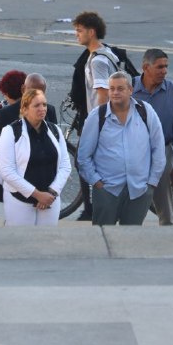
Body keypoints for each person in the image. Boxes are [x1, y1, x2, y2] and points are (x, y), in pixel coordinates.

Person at [77, 71, 166, 226]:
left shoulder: (146, 112)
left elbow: (158, 149)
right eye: (111, 89)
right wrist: (97, 183)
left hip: (140, 189)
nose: (115, 93)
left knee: (130, 242)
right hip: (107, 190)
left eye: (120, 88)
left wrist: (152, 183)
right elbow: (83, 156)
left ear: (130, 90)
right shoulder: (97, 116)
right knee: (103, 239)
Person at [0, 89, 72, 226]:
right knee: (21, 243)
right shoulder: (10, 132)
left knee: (46, 242)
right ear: (25, 109)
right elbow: (7, 171)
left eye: (44, 104)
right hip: (19, 201)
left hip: (50, 200)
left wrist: (51, 192)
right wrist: (38, 195)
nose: (42, 108)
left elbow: (65, 165)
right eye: (36, 105)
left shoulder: (55, 130)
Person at [132, 48, 173, 226]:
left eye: (166, 67)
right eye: (159, 67)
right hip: (133, 153)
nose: (164, 71)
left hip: (162, 153)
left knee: (166, 208)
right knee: (133, 204)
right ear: (145, 68)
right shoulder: (128, 89)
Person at [72, 11, 119, 220]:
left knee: (84, 161)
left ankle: (92, 208)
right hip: (108, 120)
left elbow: (102, 94)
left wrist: (97, 125)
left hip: (99, 121)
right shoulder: (107, 53)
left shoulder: (97, 61)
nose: (77, 35)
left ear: (92, 32)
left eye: (80, 31)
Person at [0, 73, 59, 139]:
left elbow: (56, 138)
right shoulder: (5, 114)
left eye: (40, 93)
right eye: (32, 93)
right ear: (23, 89)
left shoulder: (50, 111)